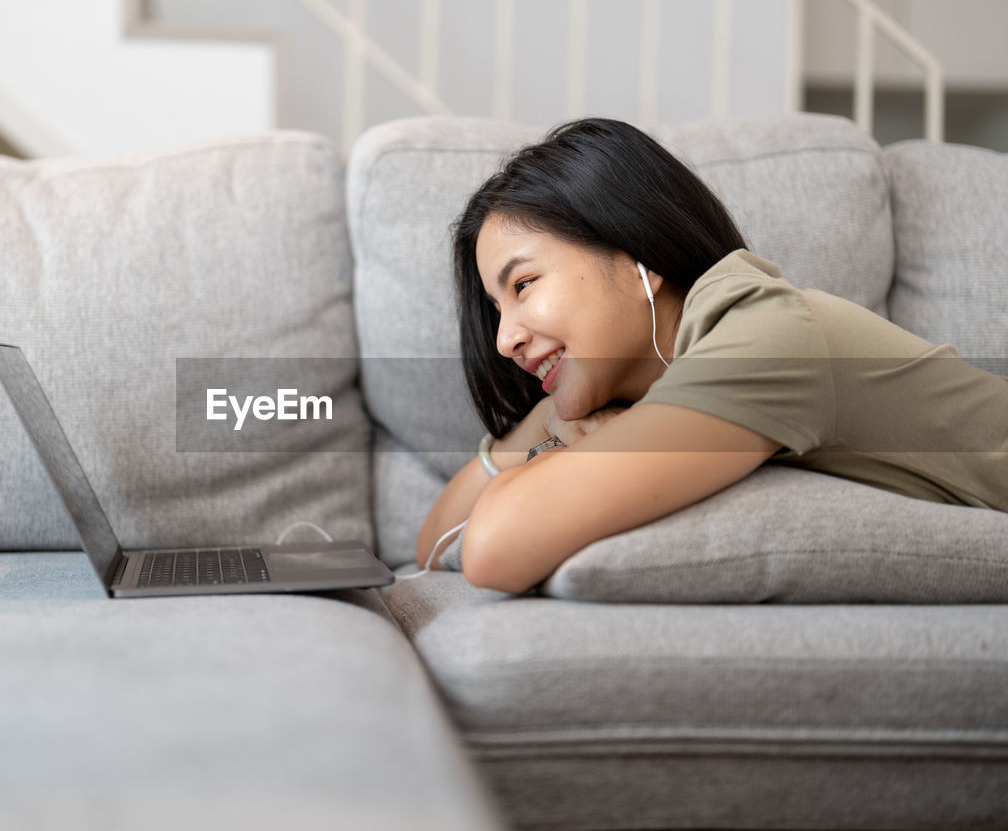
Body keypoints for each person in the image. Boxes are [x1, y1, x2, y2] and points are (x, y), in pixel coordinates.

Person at [416, 117, 1008, 594]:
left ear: (637, 261)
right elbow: (433, 548)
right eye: (496, 309)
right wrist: (553, 420)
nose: (503, 340)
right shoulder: (657, 380)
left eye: (523, 285)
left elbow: (494, 547)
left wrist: (555, 455)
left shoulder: (768, 338)